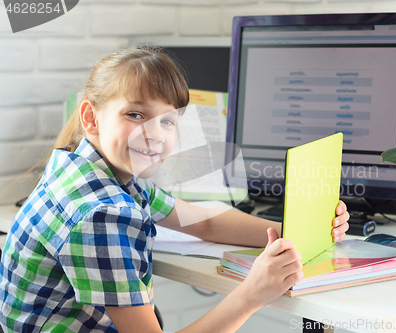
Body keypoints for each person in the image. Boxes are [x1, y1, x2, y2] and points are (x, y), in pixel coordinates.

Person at [0, 47, 350, 333]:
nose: (155, 134)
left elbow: (204, 222)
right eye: (135, 115)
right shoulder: (101, 215)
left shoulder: (95, 171)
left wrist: (301, 232)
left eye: (168, 120)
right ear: (90, 118)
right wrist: (252, 294)